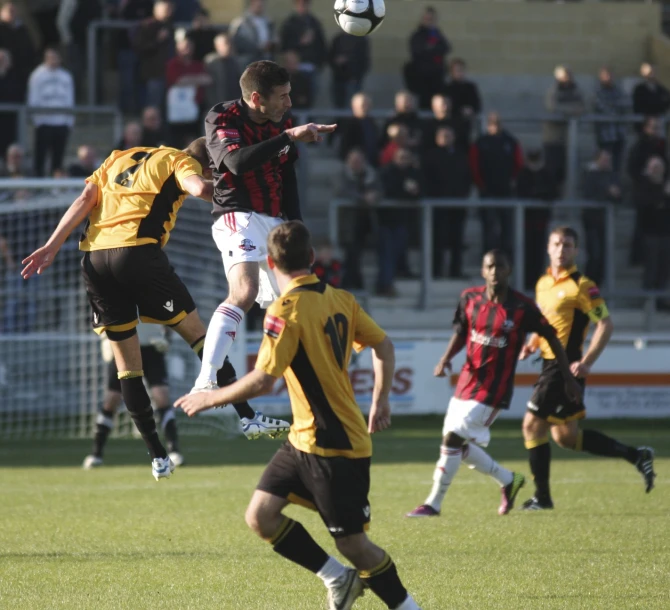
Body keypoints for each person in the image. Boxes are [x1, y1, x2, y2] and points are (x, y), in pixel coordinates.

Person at [176, 221, 422, 610]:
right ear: (311, 258)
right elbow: (384, 346)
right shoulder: (342, 298)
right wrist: (382, 401)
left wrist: (211, 397)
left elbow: (263, 381)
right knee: (261, 516)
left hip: (334, 442)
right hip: (302, 438)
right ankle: (337, 579)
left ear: (269, 264)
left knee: (354, 544)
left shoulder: (284, 311)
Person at [21, 138, 289, 481]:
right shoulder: (181, 162)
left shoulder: (119, 156)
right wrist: (240, 191)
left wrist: (52, 245)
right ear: (210, 165)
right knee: (200, 338)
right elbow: (198, 189)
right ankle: (247, 416)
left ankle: (158, 456)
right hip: (137, 255)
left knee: (127, 368)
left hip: (94, 261)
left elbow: (86, 198)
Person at [193, 60, 335, 394]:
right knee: (244, 291)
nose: (289, 104)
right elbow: (235, 163)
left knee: (297, 304)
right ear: (257, 98)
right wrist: (287, 136)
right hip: (236, 212)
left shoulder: (280, 121)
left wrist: (297, 226)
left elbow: (287, 176)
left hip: (275, 220)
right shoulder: (222, 117)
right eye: (282, 96)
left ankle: (309, 386)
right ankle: (206, 380)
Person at [406, 249, 582, 518]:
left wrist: (568, 378)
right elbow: (462, 331)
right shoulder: (470, 298)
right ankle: (508, 480)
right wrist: (445, 359)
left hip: (494, 389)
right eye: (490, 266)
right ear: (482, 270)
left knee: (452, 439)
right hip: (467, 381)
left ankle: (433, 503)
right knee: (458, 446)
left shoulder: (522, 307)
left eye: (500, 267)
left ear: (509, 270)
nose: (495, 272)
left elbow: (553, 337)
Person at [518, 226, 656, 510]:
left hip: (564, 368)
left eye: (567, 245)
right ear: (548, 247)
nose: (561, 249)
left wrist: (587, 362)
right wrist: (532, 343)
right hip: (547, 363)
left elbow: (605, 323)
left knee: (531, 426)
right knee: (565, 437)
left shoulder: (583, 286)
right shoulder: (543, 283)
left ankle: (542, 499)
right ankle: (637, 456)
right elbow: (545, 322)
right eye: (556, 244)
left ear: (576, 251)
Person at [83, 324, 184, 469]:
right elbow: (101, 313)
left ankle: (174, 450)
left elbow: (168, 315)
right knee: (111, 400)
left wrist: (167, 338)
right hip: (123, 348)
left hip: (152, 347)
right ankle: (96, 454)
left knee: (161, 396)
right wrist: (105, 339)